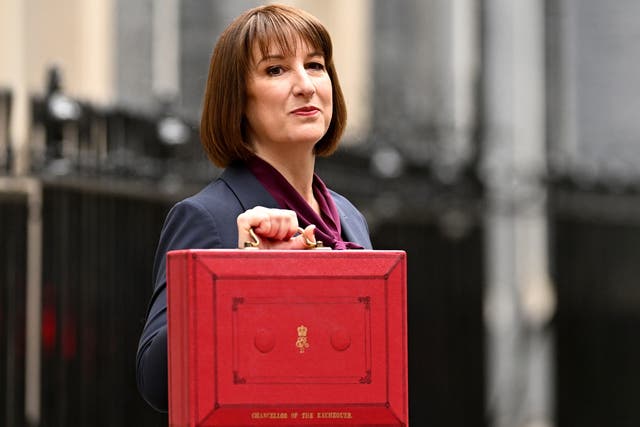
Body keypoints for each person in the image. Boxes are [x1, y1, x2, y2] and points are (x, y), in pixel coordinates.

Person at [136, 4, 373, 412]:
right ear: (238, 100)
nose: (305, 85)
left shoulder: (349, 218)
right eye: (276, 70)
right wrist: (243, 274)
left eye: (315, 65)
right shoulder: (207, 216)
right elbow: (155, 382)